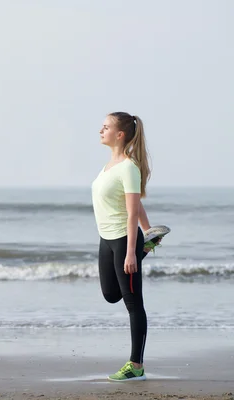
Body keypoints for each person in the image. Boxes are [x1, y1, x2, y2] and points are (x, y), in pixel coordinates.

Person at [91, 111, 162, 382]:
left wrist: (133, 250)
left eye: (105, 127)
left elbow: (132, 211)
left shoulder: (129, 167)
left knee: (133, 303)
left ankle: (136, 365)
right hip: (105, 239)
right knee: (110, 294)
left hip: (123, 240)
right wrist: (149, 231)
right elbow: (135, 203)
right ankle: (149, 243)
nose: (100, 130)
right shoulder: (109, 167)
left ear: (119, 135)